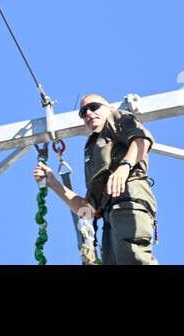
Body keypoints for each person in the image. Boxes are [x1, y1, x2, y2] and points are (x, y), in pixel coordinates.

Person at [33, 94, 159, 264]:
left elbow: (142, 140)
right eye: (83, 112)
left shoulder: (117, 117)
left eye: (94, 107)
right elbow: (88, 210)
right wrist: (54, 183)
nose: (88, 114)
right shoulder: (91, 149)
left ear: (110, 108)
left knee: (133, 258)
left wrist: (124, 167)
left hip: (127, 200)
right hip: (109, 218)